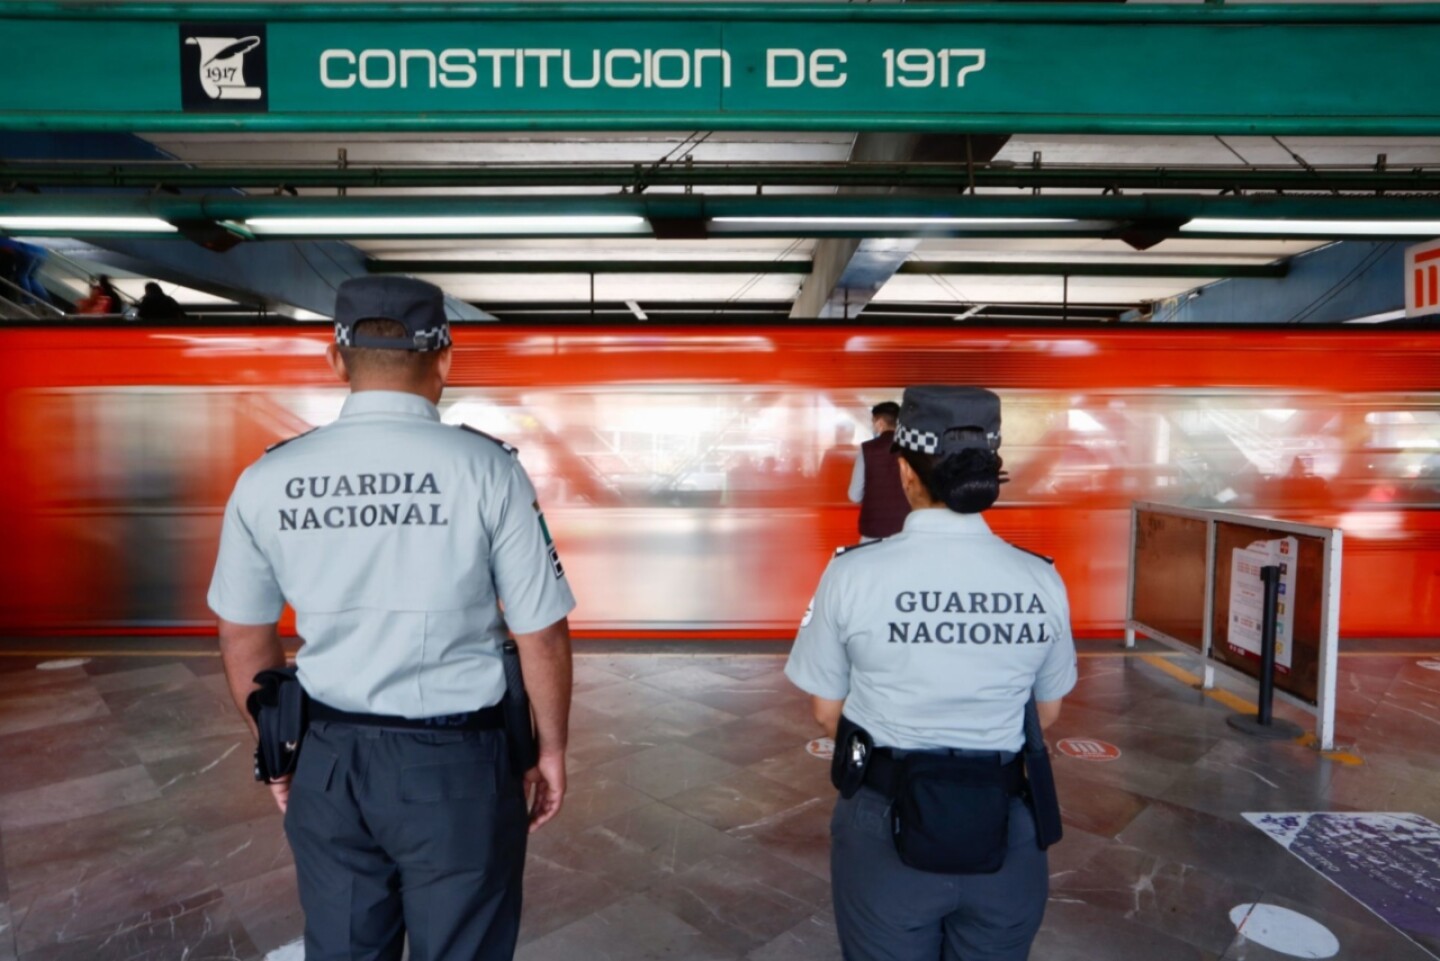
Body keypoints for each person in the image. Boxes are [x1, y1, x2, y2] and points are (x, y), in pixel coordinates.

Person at [207, 276, 575, 961]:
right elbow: (540, 631)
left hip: (328, 759)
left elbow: (243, 633)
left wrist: (277, 743)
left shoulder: (268, 478)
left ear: (336, 360)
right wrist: (548, 749)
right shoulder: (487, 469)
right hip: (460, 767)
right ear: (444, 360)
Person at [786, 385, 1077, 961]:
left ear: (907, 474)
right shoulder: (1040, 579)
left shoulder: (852, 575)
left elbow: (826, 712)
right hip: (1006, 827)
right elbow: (1046, 711)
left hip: (884, 828)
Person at [848, 401, 910, 540]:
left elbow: (854, 495)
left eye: (873, 422)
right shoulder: (912, 449)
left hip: (873, 531)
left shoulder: (867, 449)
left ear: (880, 423)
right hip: (906, 530)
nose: (873, 426)